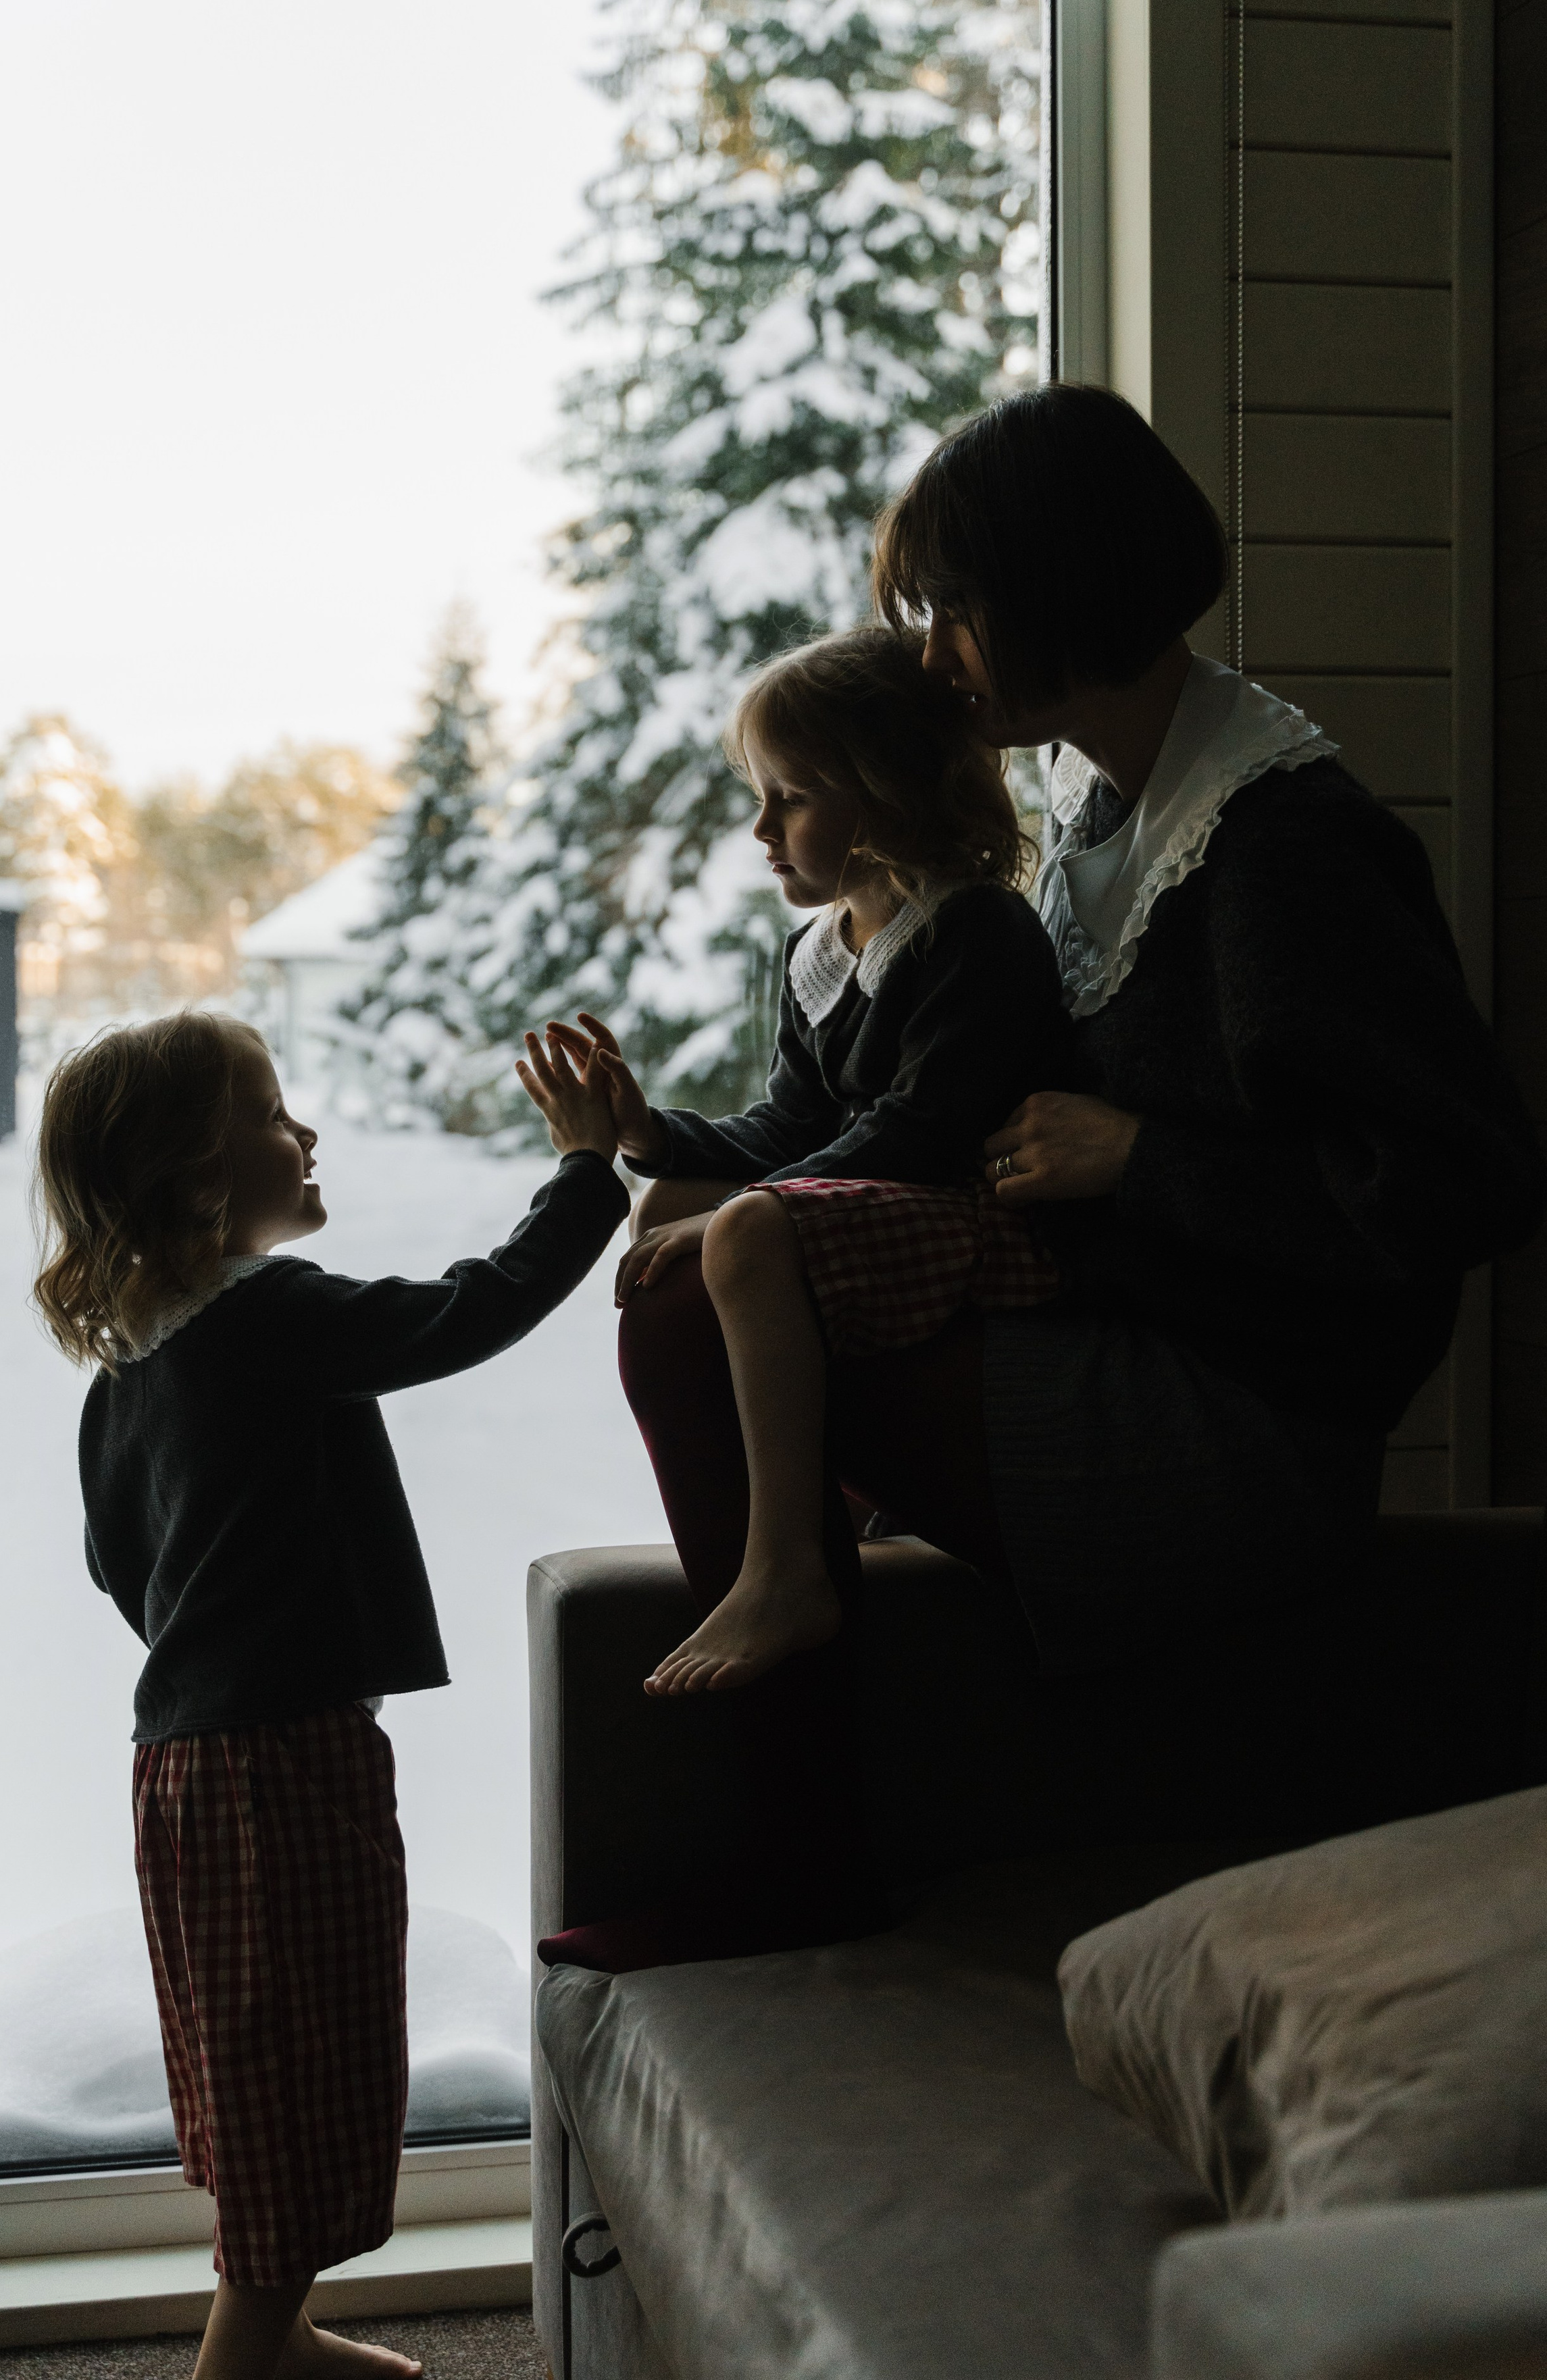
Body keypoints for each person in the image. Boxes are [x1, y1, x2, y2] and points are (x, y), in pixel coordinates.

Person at [547, 382, 1544, 1975]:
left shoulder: (1277, 847)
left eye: (950, 608)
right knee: (708, 1268)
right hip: (1113, 1339)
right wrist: (663, 1159)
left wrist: (1143, 1160)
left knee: (693, 1314)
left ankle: (797, 1849)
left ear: (1053, 591)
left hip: (1239, 1427)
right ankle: (801, 1754)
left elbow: (1458, 1192)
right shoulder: (1101, 822)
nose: (931, 653)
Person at [32, 1010, 623, 2380]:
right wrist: (587, 1171)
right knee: (310, 2058)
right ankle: (242, 2356)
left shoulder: (131, 1371)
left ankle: (277, 2331)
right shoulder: (267, 1320)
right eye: (272, 1112)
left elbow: (116, 1565)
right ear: (195, 1174)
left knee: (256, 2059)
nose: (304, 1134)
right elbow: (468, 1311)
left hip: (180, 1763)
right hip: (282, 1757)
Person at [547, 625, 1071, 1699]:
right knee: (671, 1208)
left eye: (789, 797)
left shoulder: (975, 932)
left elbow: (923, 1134)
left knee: (736, 1228)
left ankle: (788, 1562)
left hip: (990, 1230)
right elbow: (787, 1128)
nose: (760, 827)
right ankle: (790, 1511)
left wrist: (758, 1213)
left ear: (880, 794)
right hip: (880, 1219)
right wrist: (648, 1136)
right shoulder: (821, 953)